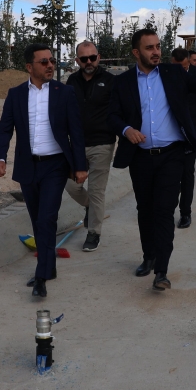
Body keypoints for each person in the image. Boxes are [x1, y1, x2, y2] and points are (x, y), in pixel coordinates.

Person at [109, 28, 196, 291]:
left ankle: (161, 271)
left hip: (171, 156)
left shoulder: (174, 73)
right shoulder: (123, 82)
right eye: (149, 48)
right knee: (145, 210)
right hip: (140, 158)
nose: (156, 52)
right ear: (136, 52)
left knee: (164, 211)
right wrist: (126, 130)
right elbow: (113, 115)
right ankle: (149, 256)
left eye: (158, 46)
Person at [0, 43, 88, 298]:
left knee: (47, 218)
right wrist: (0, 158)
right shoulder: (15, 94)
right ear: (29, 67)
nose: (50, 65)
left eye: (52, 61)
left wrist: (80, 166)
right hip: (27, 166)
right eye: (44, 62)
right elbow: (4, 128)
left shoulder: (64, 92)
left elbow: (76, 131)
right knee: (37, 220)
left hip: (55, 166)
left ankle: (41, 276)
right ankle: (49, 266)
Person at [63, 40, 116, 252]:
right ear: (77, 60)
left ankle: (94, 232)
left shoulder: (110, 81)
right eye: (84, 58)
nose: (89, 62)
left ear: (98, 58)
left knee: (96, 191)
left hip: (102, 143)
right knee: (71, 186)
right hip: (76, 144)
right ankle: (89, 207)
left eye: (92, 58)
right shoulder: (71, 81)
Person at [170, 47, 196, 228]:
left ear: (188, 62)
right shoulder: (164, 74)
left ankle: (185, 213)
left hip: (191, 134)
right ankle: (167, 208)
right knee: (169, 175)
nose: (180, 70)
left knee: (187, 174)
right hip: (169, 134)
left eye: (184, 66)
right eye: (176, 66)